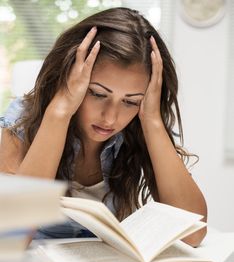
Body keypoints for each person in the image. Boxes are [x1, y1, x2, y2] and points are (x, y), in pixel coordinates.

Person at [0, 7, 207, 246]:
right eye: (97, 94)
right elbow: (10, 235)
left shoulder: (140, 126)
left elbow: (193, 234)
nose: (110, 118)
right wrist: (60, 111)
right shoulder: (23, 119)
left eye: (130, 101)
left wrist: (152, 121)